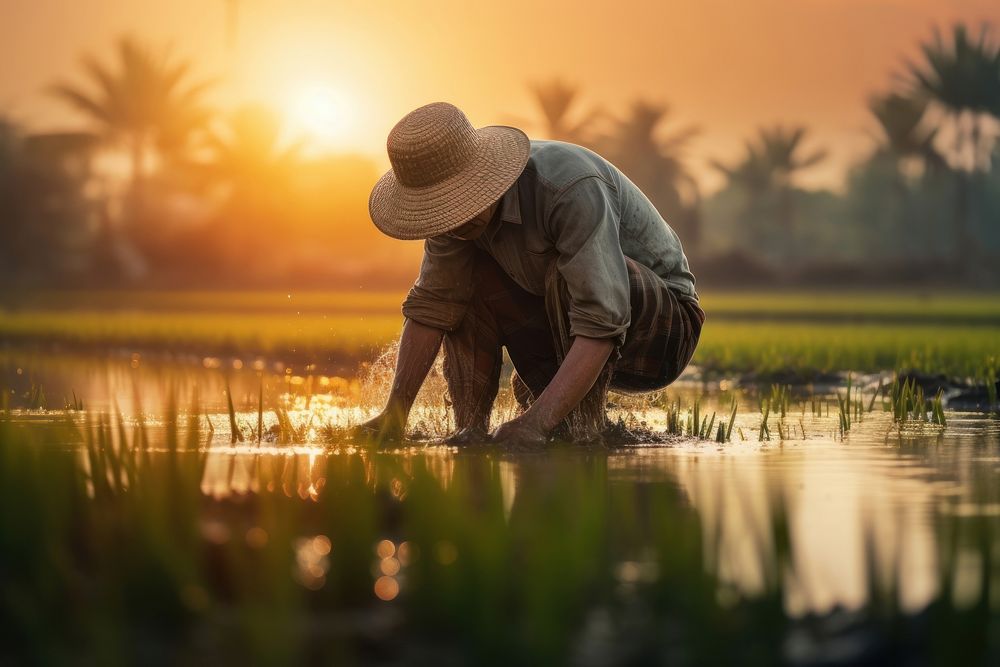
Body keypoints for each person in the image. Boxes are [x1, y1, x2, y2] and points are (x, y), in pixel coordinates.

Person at [355, 102, 704, 447]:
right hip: (563, 331)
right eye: (445, 208)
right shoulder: (449, 222)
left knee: (565, 274)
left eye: (460, 202)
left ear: (484, 176)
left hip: (661, 330)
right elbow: (433, 306)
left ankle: (579, 427)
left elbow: (602, 317)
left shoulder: (568, 188)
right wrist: (394, 414)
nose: (455, 222)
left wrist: (536, 422)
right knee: (463, 287)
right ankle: (469, 432)